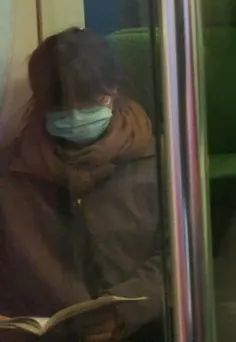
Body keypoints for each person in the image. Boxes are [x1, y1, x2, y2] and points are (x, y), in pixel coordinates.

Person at [0, 27, 163, 341]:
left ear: (114, 90)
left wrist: (121, 313)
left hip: (142, 329)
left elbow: (178, 258)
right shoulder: (10, 174)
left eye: (90, 101)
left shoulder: (160, 162)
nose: (75, 115)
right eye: (61, 108)